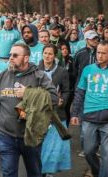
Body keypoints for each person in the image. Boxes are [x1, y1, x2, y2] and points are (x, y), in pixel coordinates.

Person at [0, 43, 58, 177]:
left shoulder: (39, 76)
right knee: (8, 173)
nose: (11, 58)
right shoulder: (3, 76)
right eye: (10, 55)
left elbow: (54, 99)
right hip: (6, 135)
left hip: (31, 136)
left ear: (26, 58)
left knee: (34, 173)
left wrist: (29, 93)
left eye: (15, 55)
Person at [70, 41, 108, 177]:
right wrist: (74, 113)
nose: (100, 55)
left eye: (104, 53)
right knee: (88, 151)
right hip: (89, 117)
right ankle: (97, 172)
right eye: (98, 52)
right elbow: (80, 92)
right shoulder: (88, 70)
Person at [38, 44, 71, 176]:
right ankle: (39, 170)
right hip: (39, 113)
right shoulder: (35, 69)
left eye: (50, 53)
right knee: (41, 144)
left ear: (55, 55)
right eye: (45, 53)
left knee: (53, 145)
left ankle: (49, 172)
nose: (47, 56)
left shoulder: (62, 71)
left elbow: (67, 90)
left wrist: (62, 100)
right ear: (42, 54)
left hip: (56, 113)